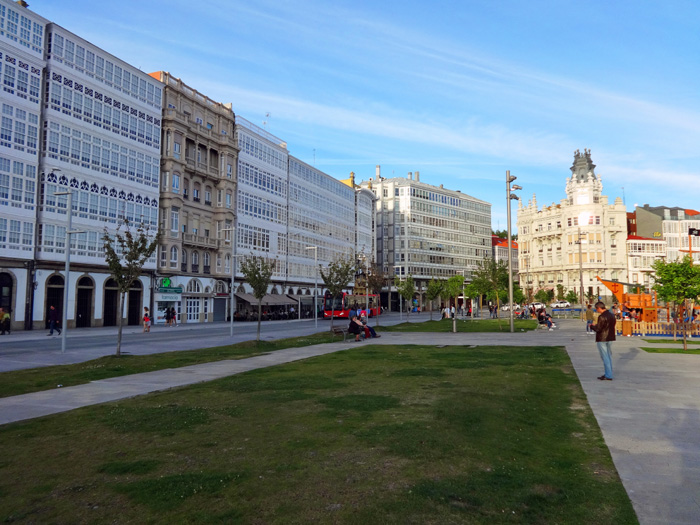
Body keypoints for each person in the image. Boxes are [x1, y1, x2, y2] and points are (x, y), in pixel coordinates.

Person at [591, 301, 616, 381]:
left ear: (599, 308)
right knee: (608, 356)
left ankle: (608, 375)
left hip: (602, 338)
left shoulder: (602, 317)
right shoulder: (612, 315)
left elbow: (599, 329)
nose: (597, 311)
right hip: (610, 337)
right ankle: (609, 373)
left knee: (605, 357)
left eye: (596, 309)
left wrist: (592, 326)